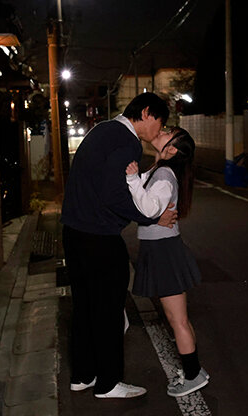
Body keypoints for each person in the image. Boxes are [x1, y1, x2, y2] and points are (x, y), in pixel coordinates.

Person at [61, 92, 176, 399]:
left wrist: (149, 171)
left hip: (73, 234)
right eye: (161, 123)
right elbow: (115, 194)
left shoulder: (102, 130)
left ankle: (83, 375)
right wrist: (151, 218)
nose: (159, 130)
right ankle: (108, 382)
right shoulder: (128, 142)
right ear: (147, 113)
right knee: (108, 310)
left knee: (84, 307)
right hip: (99, 239)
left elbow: (114, 182)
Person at [124, 126, 207, 397]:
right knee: (178, 318)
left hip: (163, 251)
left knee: (177, 319)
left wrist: (133, 179)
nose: (161, 130)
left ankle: (193, 375)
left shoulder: (163, 174)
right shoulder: (160, 169)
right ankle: (194, 370)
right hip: (162, 248)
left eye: (167, 132)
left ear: (171, 149)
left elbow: (148, 208)